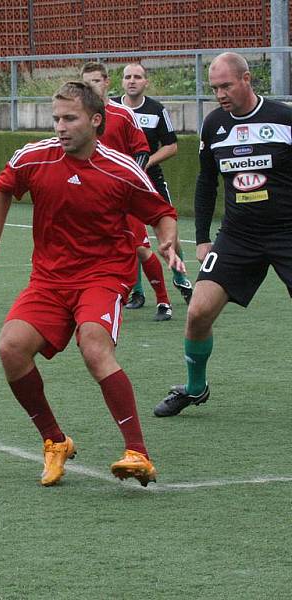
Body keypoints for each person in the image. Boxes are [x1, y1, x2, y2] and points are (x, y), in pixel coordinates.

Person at [0, 81, 184, 487]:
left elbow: (162, 211)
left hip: (102, 275)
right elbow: (1, 189)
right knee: (10, 348)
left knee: (94, 344)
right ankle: (54, 441)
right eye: (56, 119)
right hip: (49, 278)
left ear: (95, 121)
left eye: (70, 118)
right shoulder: (34, 157)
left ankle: (138, 452)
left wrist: (167, 239)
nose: (60, 127)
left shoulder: (121, 169)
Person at [154, 52, 292, 417]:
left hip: (286, 232)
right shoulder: (214, 125)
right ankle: (195, 388)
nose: (219, 94)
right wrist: (201, 237)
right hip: (238, 236)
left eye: (226, 85)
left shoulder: (284, 118)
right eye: (214, 87)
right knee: (198, 312)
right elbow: (205, 183)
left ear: (247, 79)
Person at [81, 61, 175, 322]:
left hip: (121, 196)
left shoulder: (123, 114)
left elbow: (142, 150)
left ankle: (164, 301)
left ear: (106, 82)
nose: (92, 87)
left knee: (141, 249)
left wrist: (130, 181)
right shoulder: (80, 118)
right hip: (91, 198)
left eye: (96, 81)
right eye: (87, 83)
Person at [120, 62, 194, 307]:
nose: (132, 80)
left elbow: (172, 146)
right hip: (121, 184)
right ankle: (137, 292)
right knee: (130, 237)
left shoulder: (156, 110)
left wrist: (146, 162)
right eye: (128, 76)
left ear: (145, 82)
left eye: (137, 77)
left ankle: (181, 278)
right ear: (121, 82)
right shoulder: (112, 109)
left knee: (167, 234)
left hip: (151, 181)